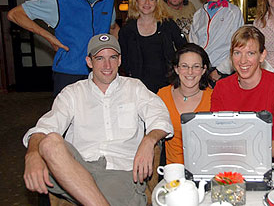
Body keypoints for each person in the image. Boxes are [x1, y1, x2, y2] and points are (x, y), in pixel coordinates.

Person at [22, 33, 173, 206]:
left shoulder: (135, 87)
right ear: (89, 61)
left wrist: (149, 139)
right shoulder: (73, 93)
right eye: (99, 58)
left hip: (119, 172)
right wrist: (32, 154)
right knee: (49, 142)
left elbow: (160, 117)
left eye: (112, 57)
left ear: (120, 60)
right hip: (76, 169)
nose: (107, 65)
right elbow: (44, 127)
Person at [7, 0, 119, 96]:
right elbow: (15, 14)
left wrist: (116, 58)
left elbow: (113, 28)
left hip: (100, 73)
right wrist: (49, 37)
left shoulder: (107, 0)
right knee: (67, 117)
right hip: (69, 73)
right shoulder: (60, 0)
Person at [211, 25, 274, 162]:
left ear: (262, 56)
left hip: (269, 162)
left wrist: (251, 153)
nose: (243, 61)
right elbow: (217, 133)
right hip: (231, 162)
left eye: (250, 53)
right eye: (237, 53)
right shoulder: (221, 87)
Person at [118, 0, 187, 93]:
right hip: (137, 89)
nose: (147, 3)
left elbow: (185, 49)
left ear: (156, 2)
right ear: (136, 2)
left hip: (167, 87)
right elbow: (122, 59)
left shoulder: (168, 24)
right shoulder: (127, 30)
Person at [157, 43, 213, 164]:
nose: (190, 72)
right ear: (176, 69)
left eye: (196, 66)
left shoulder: (213, 98)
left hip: (205, 167)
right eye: (184, 66)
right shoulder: (163, 95)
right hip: (172, 170)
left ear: (203, 70)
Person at [189, 0, 244, 85]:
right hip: (201, 70)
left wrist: (220, 71)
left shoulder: (233, 12)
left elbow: (238, 46)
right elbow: (193, 44)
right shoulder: (198, 14)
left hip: (223, 71)